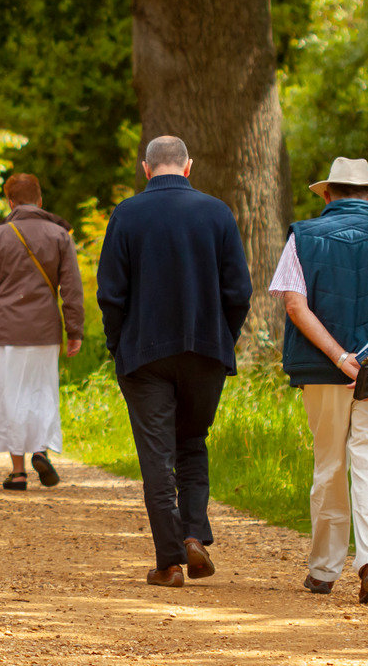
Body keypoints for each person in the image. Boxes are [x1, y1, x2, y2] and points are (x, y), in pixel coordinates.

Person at [271, 156, 368, 604]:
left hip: (323, 371)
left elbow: (295, 306)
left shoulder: (301, 236)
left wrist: (342, 359)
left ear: (326, 194)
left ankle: (323, 571)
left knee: (329, 466)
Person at [96, 135, 253, 587]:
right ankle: (193, 534)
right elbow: (238, 293)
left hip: (144, 354)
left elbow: (111, 294)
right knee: (192, 441)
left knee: (156, 455)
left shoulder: (126, 214)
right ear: (189, 167)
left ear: (146, 169)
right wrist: (224, 338)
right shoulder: (217, 213)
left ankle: (169, 561)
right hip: (205, 350)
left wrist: (117, 346)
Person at [0, 173, 85, 490]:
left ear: (10, 201)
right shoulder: (60, 235)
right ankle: (40, 450)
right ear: (40, 200)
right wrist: (74, 329)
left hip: (4, 329)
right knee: (40, 390)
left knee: (9, 396)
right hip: (45, 331)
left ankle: (18, 472)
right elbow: (71, 290)